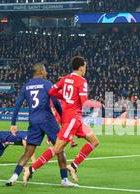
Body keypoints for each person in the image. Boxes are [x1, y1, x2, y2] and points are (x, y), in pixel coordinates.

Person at [23, 56, 100, 185]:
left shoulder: (65, 79)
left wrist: (64, 96)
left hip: (76, 118)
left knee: (94, 141)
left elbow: (52, 91)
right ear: (81, 68)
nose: (85, 69)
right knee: (57, 148)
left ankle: (73, 166)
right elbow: (84, 102)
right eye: (85, 67)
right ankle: (30, 169)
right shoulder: (82, 81)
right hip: (72, 118)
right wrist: (98, 104)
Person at [7, 63, 78, 187]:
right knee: (60, 149)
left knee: (28, 153)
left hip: (33, 121)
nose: (46, 73)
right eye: (45, 71)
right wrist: (63, 119)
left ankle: (13, 177)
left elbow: (17, 104)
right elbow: (55, 102)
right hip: (47, 120)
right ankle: (64, 180)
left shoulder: (26, 86)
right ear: (40, 72)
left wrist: (13, 123)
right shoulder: (47, 84)